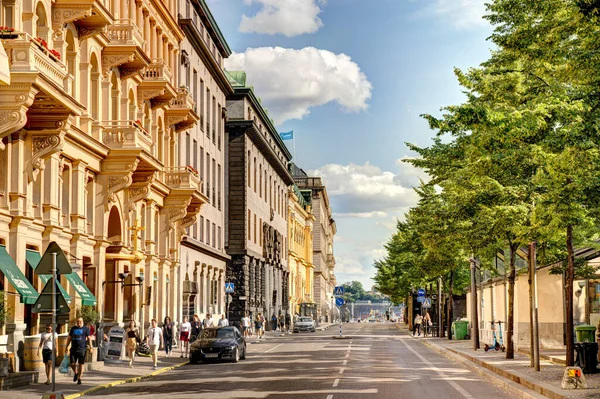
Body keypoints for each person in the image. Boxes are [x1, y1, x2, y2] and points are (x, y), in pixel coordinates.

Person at [65, 317, 91, 385]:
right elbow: (69, 338)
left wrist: (91, 347)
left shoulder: (86, 328)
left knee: (81, 364)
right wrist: (66, 346)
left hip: (82, 349)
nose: (79, 323)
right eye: (78, 321)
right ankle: (76, 373)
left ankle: (79, 378)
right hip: (73, 349)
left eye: (80, 321)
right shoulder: (73, 328)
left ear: (82, 322)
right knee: (72, 363)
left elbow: (89, 338)